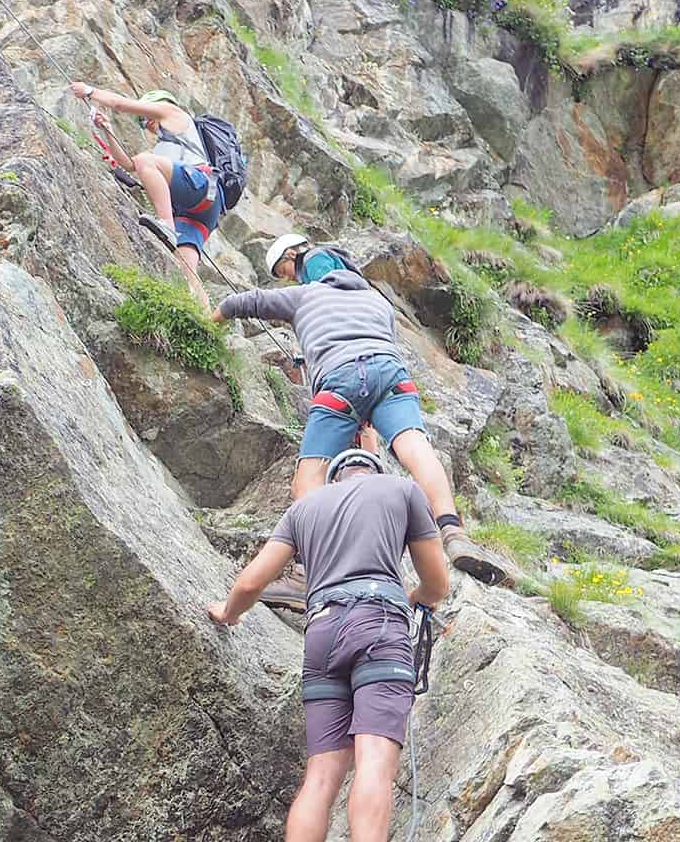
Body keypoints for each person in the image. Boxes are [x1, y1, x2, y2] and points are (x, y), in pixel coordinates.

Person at [206, 448, 453, 842]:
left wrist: (227, 613)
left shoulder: (305, 509)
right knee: (376, 759)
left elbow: (253, 582)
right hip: (378, 624)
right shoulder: (401, 491)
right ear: (373, 470)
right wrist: (413, 598)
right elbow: (438, 583)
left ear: (337, 474)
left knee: (321, 774)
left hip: (319, 636)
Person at [214, 234, 512, 605]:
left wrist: (211, 320)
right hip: (391, 376)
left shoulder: (306, 293)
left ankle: (308, 572)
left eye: (287, 270)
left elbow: (242, 302)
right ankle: (452, 532)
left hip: (339, 383)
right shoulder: (377, 301)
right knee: (415, 450)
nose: (289, 277)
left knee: (308, 480)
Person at [69, 79, 218, 290]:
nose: (145, 123)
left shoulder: (173, 112)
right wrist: (108, 130)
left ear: (158, 105)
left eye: (145, 116)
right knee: (185, 268)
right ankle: (205, 318)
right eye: (141, 122)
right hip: (200, 209)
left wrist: (89, 91)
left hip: (200, 185)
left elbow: (119, 104)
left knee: (144, 161)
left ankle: (166, 225)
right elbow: (130, 165)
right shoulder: (161, 151)